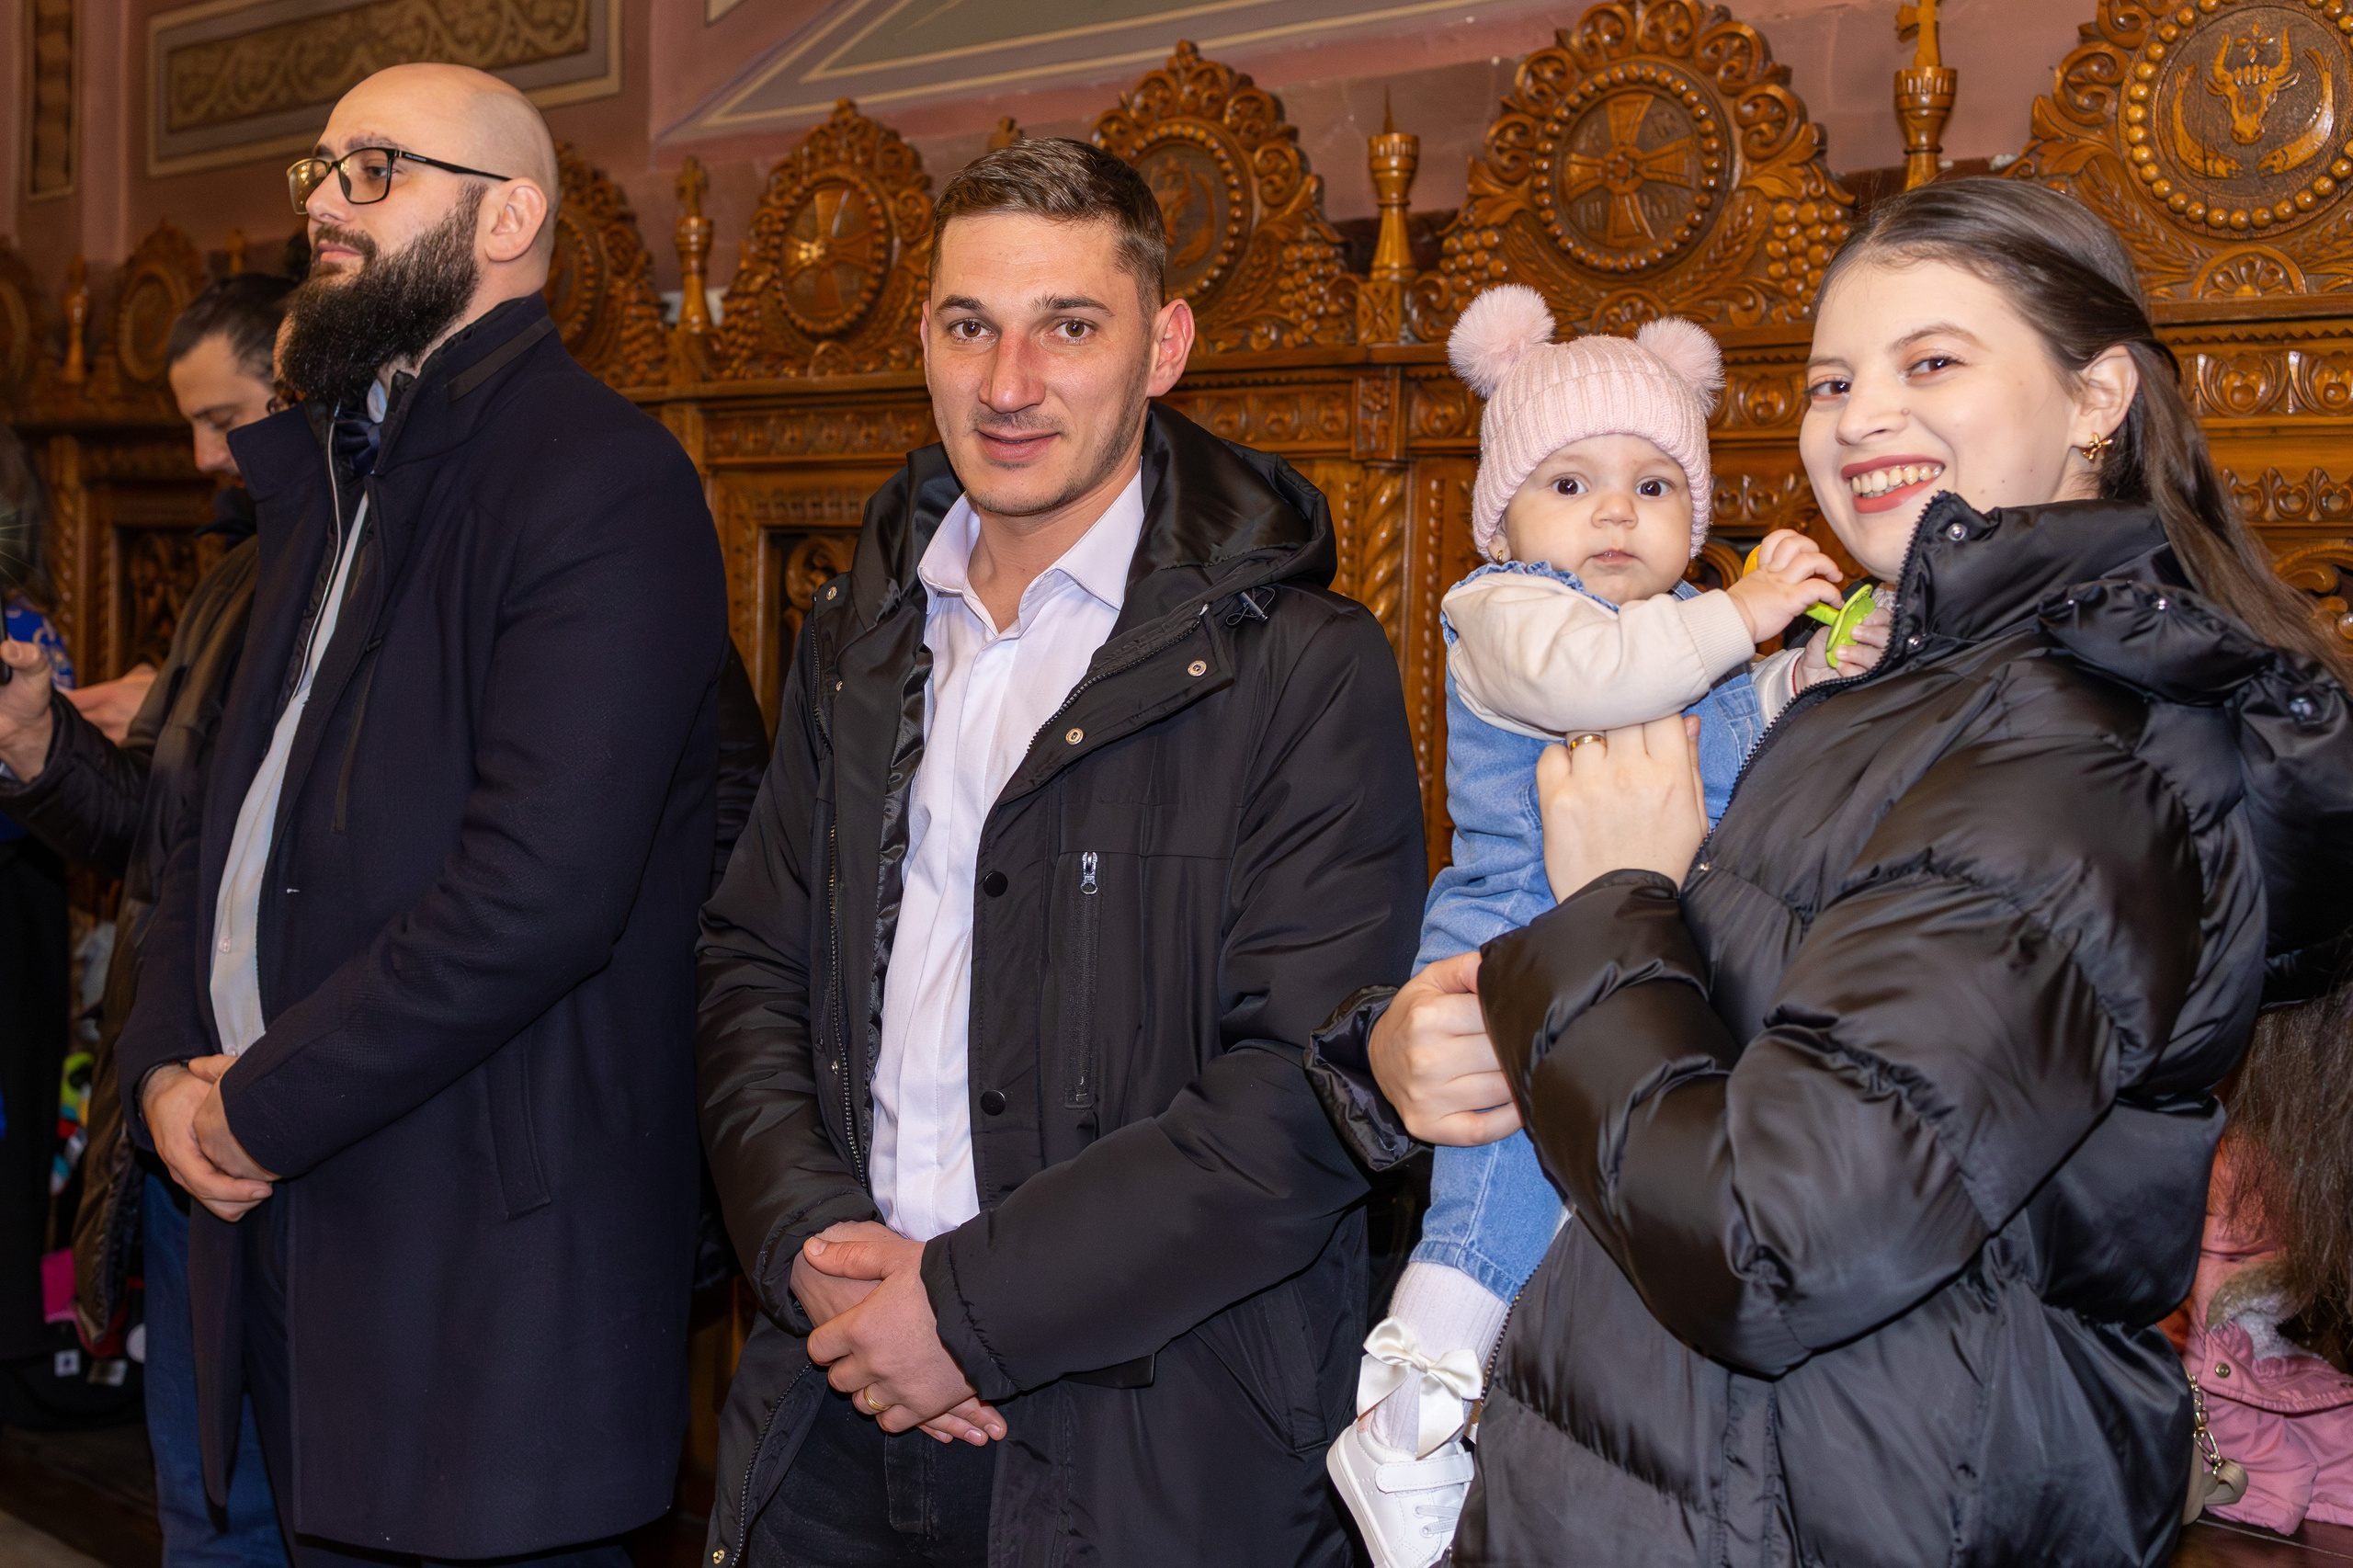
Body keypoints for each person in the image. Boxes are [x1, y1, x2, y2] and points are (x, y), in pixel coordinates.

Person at [1307, 176, 2353, 1565]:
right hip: (1671, 1488)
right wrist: (1400, 1057)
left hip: (1842, 1507)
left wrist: (1614, 904)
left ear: (2097, 397)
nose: (1859, 417)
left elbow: (1772, 1242)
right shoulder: (1881, 697)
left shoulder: (2082, 755)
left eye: (1932, 362)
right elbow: (1715, 1039)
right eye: (1830, 381)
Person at [696, 136, 1427, 1567]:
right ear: (924, 340)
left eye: (1069, 327)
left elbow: (1305, 1089)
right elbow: (750, 964)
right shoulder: (859, 635)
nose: (1008, 383)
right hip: (837, 1391)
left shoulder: (1302, 666)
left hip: (1144, 1426)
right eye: (970, 326)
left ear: (1165, 346)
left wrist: (965, 1311)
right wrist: (812, 1248)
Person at [110, 62, 728, 1566]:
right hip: (291, 1226)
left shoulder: (603, 480)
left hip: (474, 1270)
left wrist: (247, 1105)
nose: (324, 204)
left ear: (508, 218)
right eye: (319, 171)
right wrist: (159, 1075)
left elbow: (534, 896)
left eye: (374, 170)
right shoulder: (340, 474)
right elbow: (220, 833)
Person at [1324, 287, 1881, 1568]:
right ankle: (1403, 1417)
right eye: (1570, 483)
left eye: (1654, 484)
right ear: (1504, 516)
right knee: (1496, 1194)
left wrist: (1806, 671)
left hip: (1628, 971)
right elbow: (1598, 680)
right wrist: (1744, 615)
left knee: (1578, 1214)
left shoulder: (1676, 641)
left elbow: (1723, 732)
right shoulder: (1501, 611)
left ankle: (1481, 1414)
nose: (1616, 512)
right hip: (1511, 948)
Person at [0, 272, 291, 1566]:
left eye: (225, 419)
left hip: (305, 1112)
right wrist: (37, 743)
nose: (204, 458)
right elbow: (153, 843)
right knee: (209, 1513)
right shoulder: (231, 579)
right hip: (179, 1105)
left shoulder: (398, 564)